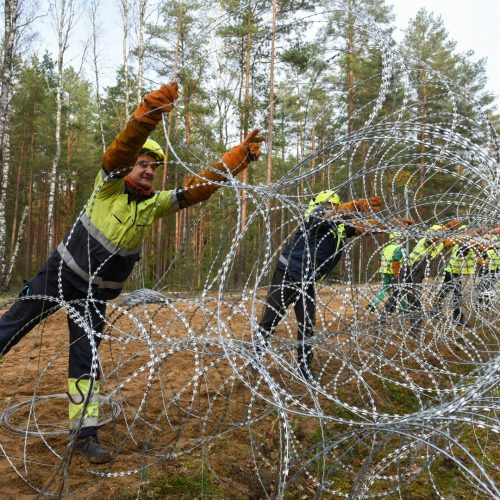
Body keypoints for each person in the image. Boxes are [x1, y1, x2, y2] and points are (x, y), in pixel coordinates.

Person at [0, 81, 264, 463]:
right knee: (10, 328)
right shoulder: (106, 188)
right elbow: (123, 146)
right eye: (143, 164)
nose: (149, 172)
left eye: (154, 168)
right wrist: (150, 113)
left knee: (85, 363)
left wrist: (237, 158)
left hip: (93, 298)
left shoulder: (153, 206)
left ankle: (84, 434)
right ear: (128, 168)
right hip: (58, 277)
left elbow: (196, 189)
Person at [254, 190, 382, 381]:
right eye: (328, 206)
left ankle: (304, 366)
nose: (331, 209)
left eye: (333, 206)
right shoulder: (313, 217)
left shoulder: (337, 226)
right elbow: (326, 216)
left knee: (307, 324)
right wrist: (352, 206)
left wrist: (389, 225)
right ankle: (256, 359)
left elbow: (360, 228)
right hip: (288, 274)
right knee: (270, 319)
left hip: (307, 281)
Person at [378, 220, 461, 334]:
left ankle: (411, 325)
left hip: (418, 268)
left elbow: (447, 244)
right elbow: (429, 240)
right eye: (450, 229)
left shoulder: (442, 239)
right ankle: (392, 322)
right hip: (413, 266)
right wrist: (445, 232)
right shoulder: (435, 230)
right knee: (405, 295)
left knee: (408, 295)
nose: (451, 231)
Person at [432, 227, 480, 325]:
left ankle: (436, 309)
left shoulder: (469, 243)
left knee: (445, 291)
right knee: (456, 294)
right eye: (472, 231)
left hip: (456, 272)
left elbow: (477, 251)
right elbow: (461, 248)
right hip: (452, 271)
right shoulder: (460, 242)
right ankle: (458, 318)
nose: (473, 233)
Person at [367, 232, 406, 312]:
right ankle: (404, 308)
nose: (401, 241)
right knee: (399, 290)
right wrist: (396, 274)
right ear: (397, 239)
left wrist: (382, 270)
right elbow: (395, 262)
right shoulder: (398, 248)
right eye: (400, 239)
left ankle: (373, 304)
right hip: (393, 273)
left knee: (384, 290)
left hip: (384, 272)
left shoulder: (386, 248)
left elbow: (380, 261)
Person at [477, 228, 500, 308]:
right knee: (482, 286)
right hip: (486, 269)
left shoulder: (496, 240)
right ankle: (478, 302)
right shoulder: (489, 239)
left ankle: (487, 304)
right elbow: (480, 259)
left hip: (495, 268)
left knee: (490, 286)